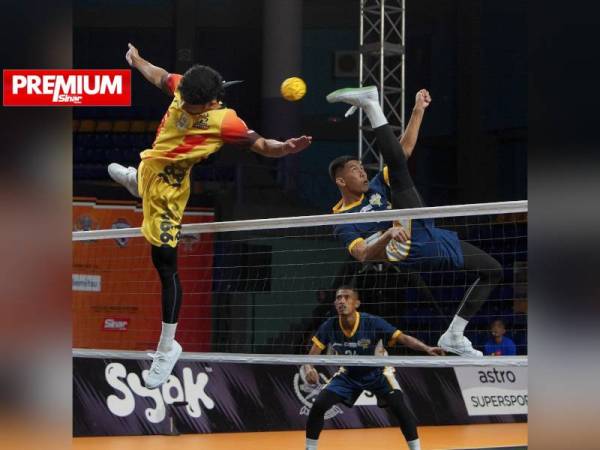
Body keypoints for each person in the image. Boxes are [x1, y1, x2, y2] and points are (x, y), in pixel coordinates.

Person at [108, 43, 312, 389]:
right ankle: (138, 182)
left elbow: (261, 144)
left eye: (189, 104)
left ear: (208, 104)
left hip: (170, 193)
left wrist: (283, 148)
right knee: (146, 169)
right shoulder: (185, 87)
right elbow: (158, 75)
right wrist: (135, 58)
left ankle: (167, 346)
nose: (182, 105)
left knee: (165, 264)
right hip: (153, 167)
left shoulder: (224, 122)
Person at [325, 86, 503, 357]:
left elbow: (403, 151)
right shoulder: (342, 220)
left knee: (493, 270)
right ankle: (372, 105)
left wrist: (418, 110)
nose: (362, 172)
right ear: (341, 181)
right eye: (354, 170)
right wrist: (386, 235)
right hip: (404, 246)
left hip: (430, 234)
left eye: (362, 168)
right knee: (396, 167)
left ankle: (454, 334)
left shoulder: (374, 187)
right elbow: (362, 254)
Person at [302, 286, 444, 450]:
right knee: (319, 405)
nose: (341, 301)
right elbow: (310, 357)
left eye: (347, 297)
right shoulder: (329, 326)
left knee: (400, 408)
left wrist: (426, 348)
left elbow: (403, 338)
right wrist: (309, 369)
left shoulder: (372, 322)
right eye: (338, 298)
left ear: (357, 303)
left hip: (378, 372)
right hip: (349, 374)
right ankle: (310, 448)